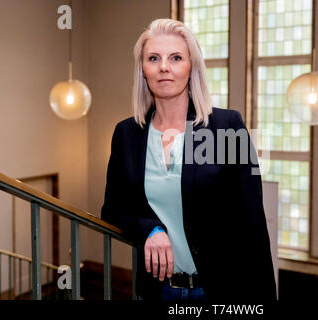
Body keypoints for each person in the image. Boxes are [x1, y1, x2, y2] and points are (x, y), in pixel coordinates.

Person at [101, 18, 276, 302]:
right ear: (143, 70)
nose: (164, 67)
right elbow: (113, 208)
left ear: (191, 67)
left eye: (176, 58)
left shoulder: (227, 126)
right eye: (154, 58)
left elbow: (253, 223)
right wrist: (150, 229)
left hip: (220, 292)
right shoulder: (127, 133)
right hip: (159, 290)